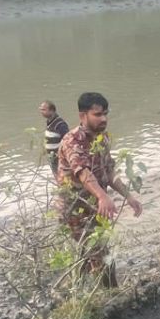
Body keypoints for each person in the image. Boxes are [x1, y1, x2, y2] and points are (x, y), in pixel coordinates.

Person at [56, 92, 142, 285]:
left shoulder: (101, 138)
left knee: (90, 254)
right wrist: (103, 196)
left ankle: (76, 290)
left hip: (94, 207)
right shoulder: (73, 141)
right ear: (82, 116)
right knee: (102, 256)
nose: (103, 118)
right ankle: (111, 295)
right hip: (75, 209)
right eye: (97, 114)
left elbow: (109, 171)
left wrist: (129, 196)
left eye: (105, 113)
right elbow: (82, 172)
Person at [39, 100, 69, 176]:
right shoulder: (49, 122)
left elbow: (67, 141)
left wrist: (61, 156)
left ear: (51, 110)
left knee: (62, 177)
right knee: (56, 176)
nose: (41, 111)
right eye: (41, 109)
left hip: (59, 158)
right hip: (52, 158)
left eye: (43, 109)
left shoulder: (60, 124)